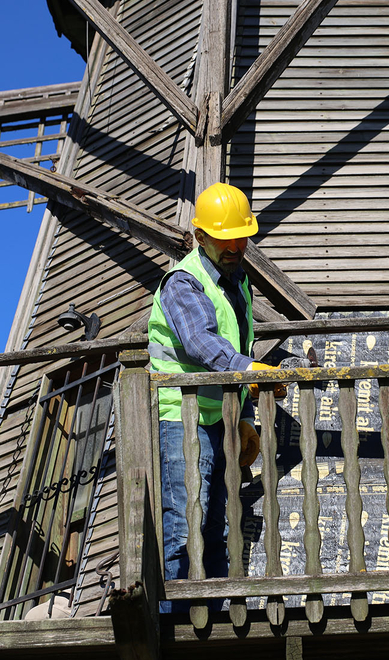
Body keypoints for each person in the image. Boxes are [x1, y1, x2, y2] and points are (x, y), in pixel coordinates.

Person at [147, 182, 278, 599]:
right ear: (200, 237)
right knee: (186, 526)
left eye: (242, 237)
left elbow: (239, 347)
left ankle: (214, 614)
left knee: (220, 525)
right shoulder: (183, 282)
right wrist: (250, 372)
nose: (236, 246)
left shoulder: (238, 283)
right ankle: (177, 626)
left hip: (219, 420)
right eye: (225, 239)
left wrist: (243, 417)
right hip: (181, 418)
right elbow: (202, 344)